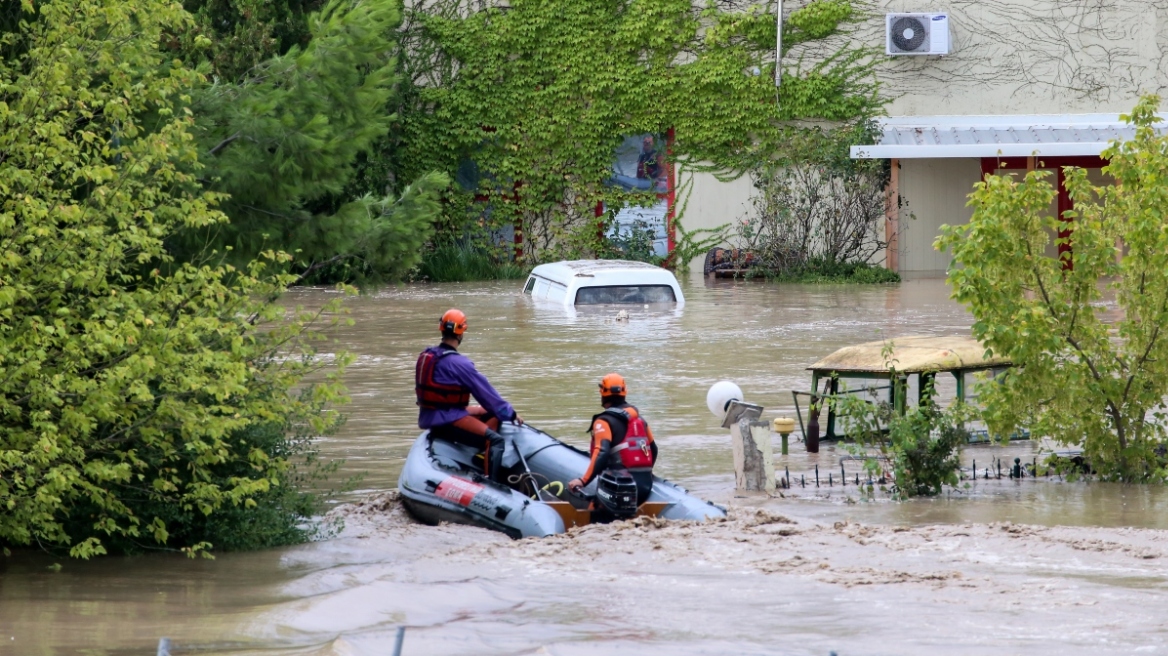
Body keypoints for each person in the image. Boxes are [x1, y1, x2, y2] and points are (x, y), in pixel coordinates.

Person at [416, 309, 522, 482]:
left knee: (490, 414)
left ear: (441, 329)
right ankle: (492, 483)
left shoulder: (426, 356)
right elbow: (487, 396)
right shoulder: (460, 363)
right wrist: (511, 414)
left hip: (431, 416)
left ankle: (481, 455)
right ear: (461, 332)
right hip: (447, 420)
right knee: (496, 440)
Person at [568, 373, 657, 507]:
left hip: (620, 487)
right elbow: (654, 450)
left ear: (602, 393)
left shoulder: (603, 421)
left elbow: (601, 453)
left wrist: (583, 481)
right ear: (624, 392)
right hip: (645, 485)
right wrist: (647, 474)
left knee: (593, 508)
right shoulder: (640, 420)